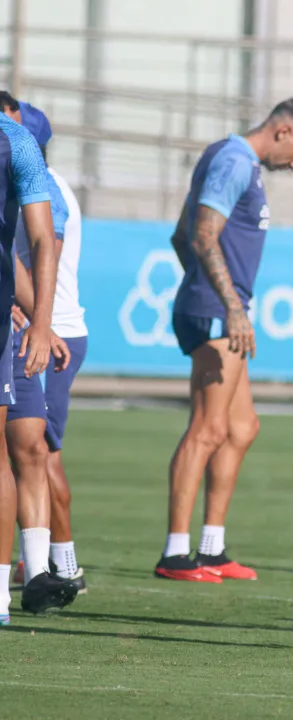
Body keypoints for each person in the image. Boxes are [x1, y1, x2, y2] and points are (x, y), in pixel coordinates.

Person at [158, 97, 293, 582]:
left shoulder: (232, 159)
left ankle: (212, 549)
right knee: (208, 430)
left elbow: (179, 235)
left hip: (216, 308)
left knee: (242, 426)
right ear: (283, 131)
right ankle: (175, 553)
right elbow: (201, 237)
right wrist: (227, 305)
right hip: (217, 314)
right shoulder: (234, 160)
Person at [3, 100, 88, 593]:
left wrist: (35, 317)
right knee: (31, 452)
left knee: (37, 453)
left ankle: (63, 565)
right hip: (41, 324)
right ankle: (48, 566)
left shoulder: (45, 189)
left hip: (48, 331)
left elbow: (42, 252)